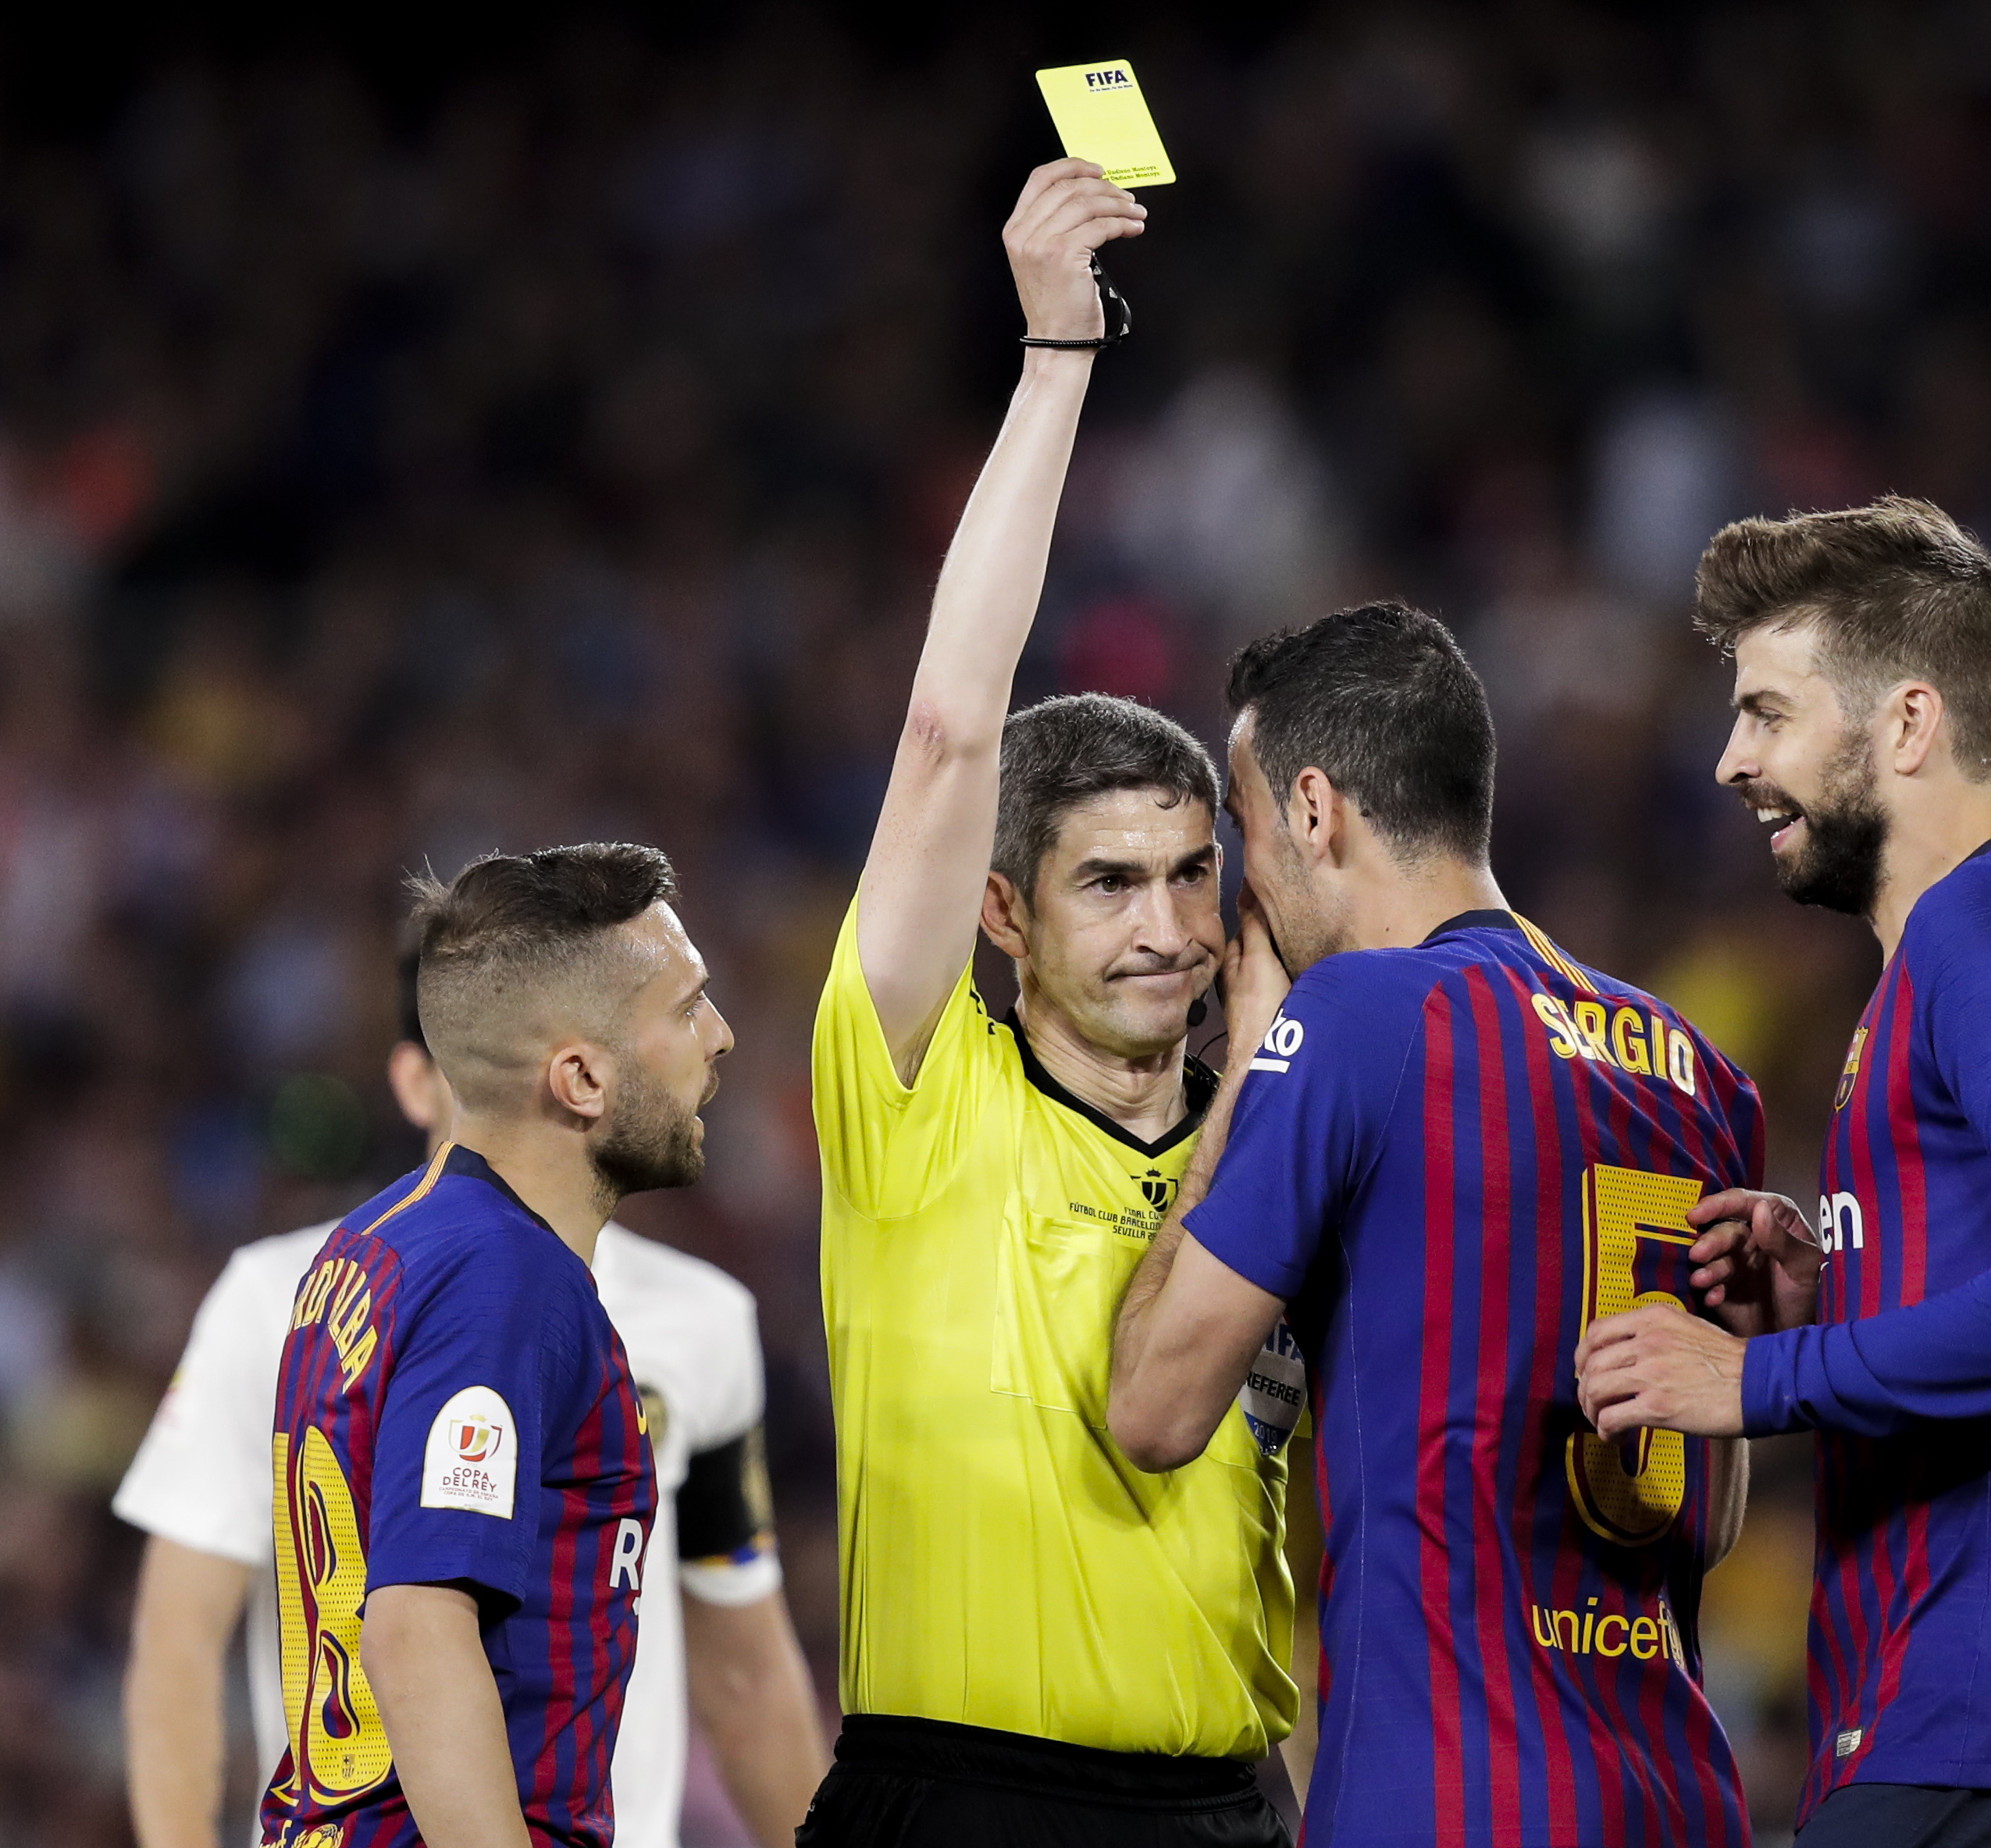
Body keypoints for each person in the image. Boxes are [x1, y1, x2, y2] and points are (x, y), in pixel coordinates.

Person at [1575, 498, 1991, 1846]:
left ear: (1909, 724)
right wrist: (1845, 1297)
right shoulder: (1979, 947)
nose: (1729, 760)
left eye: (1767, 711)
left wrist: (1758, 1378)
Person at [802, 159, 1301, 1848]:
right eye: (1108, 880)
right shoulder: (912, 1091)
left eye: (1186, 873)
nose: (1167, 924)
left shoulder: (1293, 1143)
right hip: (962, 1809)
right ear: (1001, 909)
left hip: (1232, 1805)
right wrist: (1054, 365)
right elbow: (950, 726)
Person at [1107, 602, 1762, 1847]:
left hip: (1453, 1790)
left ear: (1313, 807)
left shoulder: (1360, 1015)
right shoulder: (1697, 1069)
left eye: (1243, 831)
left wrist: (1245, 1068)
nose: (1241, 888)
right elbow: (1708, 1520)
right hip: (1676, 1791)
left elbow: (1151, 1408)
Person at [114, 947, 827, 1848]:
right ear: (417, 1080)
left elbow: (746, 1675)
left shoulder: (704, 1321)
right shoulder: (275, 1297)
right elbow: (181, 1639)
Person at [251, 842, 724, 1848]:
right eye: (686, 1010)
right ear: (582, 1077)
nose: (719, 1038)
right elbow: (419, 1630)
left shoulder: (375, 1242)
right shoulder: (503, 1279)